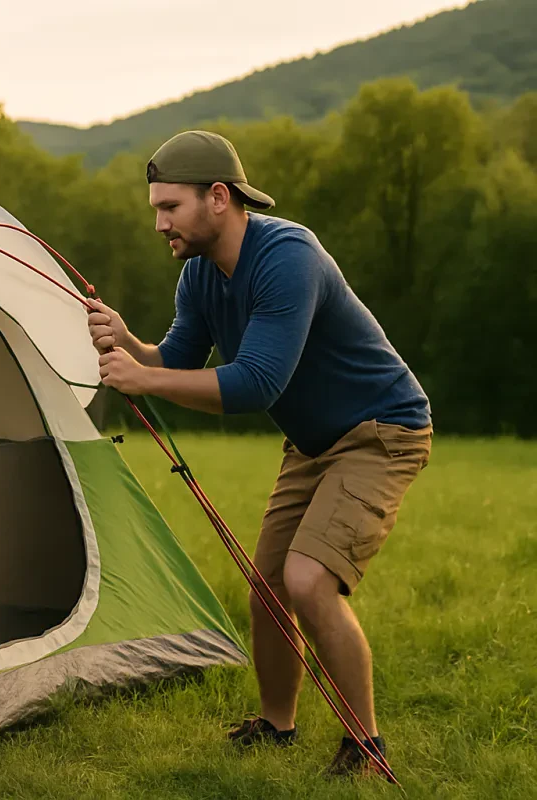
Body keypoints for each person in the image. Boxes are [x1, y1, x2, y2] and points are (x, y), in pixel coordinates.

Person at [87, 130, 432, 778]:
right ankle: (277, 728)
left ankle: (366, 747)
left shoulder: (286, 256)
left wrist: (144, 379)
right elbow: (178, 361)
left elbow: (254, 382)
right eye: (156, 209)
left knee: (307, 580)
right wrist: (127, 341)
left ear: (218, 197)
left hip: (382, 430)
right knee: (269, 586)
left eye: (170, 208)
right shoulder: (199, 276)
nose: (159, 222)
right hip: (313, 441)